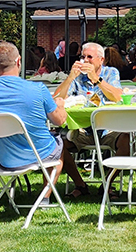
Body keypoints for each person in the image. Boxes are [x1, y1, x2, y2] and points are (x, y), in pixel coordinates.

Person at [0, 42, 69, 191]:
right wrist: (60, 105)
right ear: (18, 61)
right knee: (59, 146)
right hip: (40, 155)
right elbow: (60, 121)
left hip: (4, 159)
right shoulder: (38, 89)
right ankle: (44, 197)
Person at [53, 42, 128, 198]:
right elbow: (56, 99)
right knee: (59, 145)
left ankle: (107, 183)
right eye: (83, 56)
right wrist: (70, 78)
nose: (85, 60)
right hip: (81, 129)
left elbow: (118, 96)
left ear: (101, 60)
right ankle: (80, 185)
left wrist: (97, 79)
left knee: (126, 141)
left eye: (89, 57)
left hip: (108, 127)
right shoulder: (77, 76)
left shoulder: (111, 72)